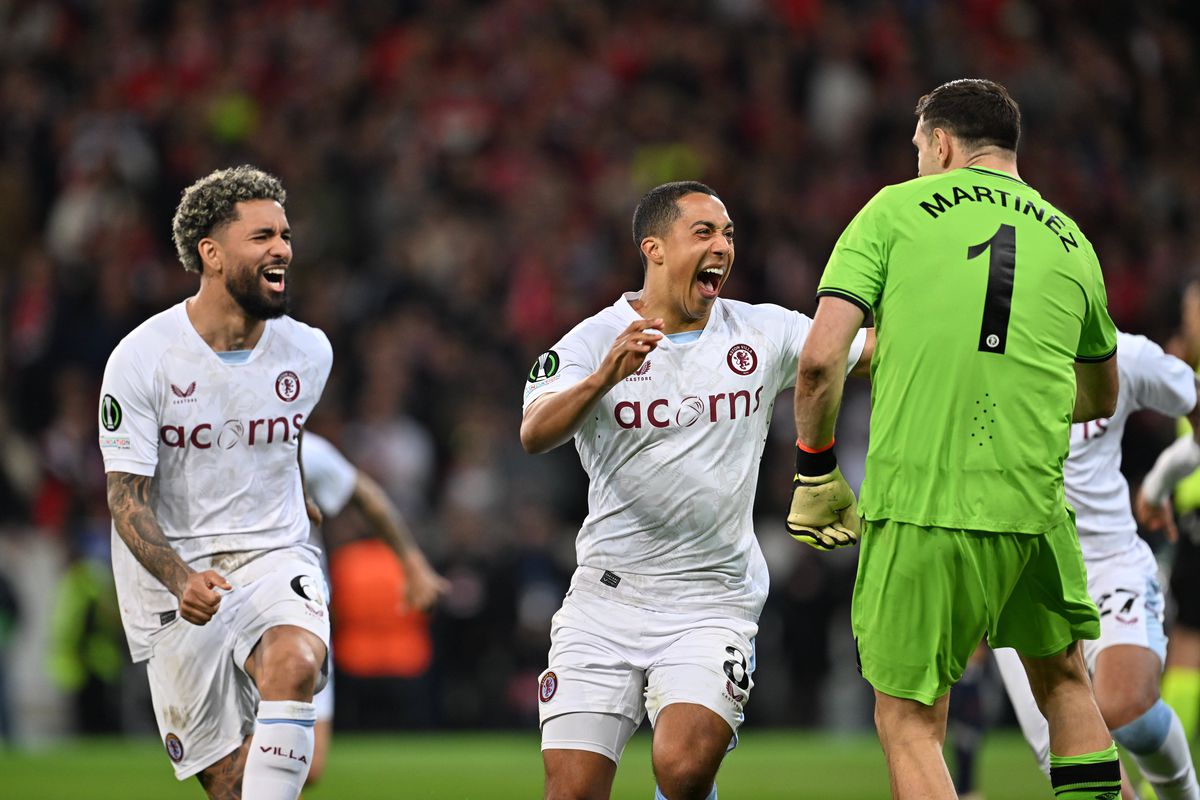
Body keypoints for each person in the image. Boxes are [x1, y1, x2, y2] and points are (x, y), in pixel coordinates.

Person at [789, 78, 1122, 800]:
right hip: (1035, 509)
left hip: (922, 506)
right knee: (1065, 680)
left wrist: (816, 473)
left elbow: (819, 361)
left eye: (917, 148)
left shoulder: (894, 210)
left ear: (940, 144)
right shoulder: (1073, 242)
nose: (916, 160)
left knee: (908, 721)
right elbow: (1101, 395)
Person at [520, 180, 872, 800]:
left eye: (729, 233)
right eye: (704, 233)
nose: (723, 246)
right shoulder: (589, 341)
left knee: (682, 767)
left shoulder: (761, 331)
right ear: (654, 249)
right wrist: (604, 377)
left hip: (714, 599)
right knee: (571, 793)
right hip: (605, 600)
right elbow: (534, 432)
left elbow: (864, 352)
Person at [99, 165, 333, 800]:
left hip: (271, 554)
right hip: (172, 586)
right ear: (210, 253)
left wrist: (299, 486)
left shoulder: (308, 352)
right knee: (230, 786)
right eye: (261, 237)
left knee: (296, 662)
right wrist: (180, 580)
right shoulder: (142, 359)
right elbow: (125, 497)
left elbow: (282, 436)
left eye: (284, 234)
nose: (282, 248)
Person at [990, 331, 1200, 799]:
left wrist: (1160, 483)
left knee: (1128, 710)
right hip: (1016, 578)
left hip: (1107, 562)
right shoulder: (988, 355)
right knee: (1069, 759)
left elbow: (1195, 403)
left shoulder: (1124, 354)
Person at [298, 430, 448, 784]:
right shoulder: (209, 442)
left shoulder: (305, 448)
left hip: (305, 608)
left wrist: (412, 561)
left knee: (309, 767)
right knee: (267, 761)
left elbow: (366, 495)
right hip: (233, 604)